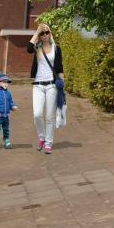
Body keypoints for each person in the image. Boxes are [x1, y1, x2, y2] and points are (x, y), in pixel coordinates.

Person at [27, 21, 64, 154]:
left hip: (52, 85)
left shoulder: (56, 48)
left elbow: (60, 68)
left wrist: (62, 86)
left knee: (49, 117)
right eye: (42, 33)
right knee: (37, 114)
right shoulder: (37, 47)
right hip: (38, 85)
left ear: (50, 33)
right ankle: (41, 137)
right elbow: (28, 48)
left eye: (46, 32)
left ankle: (48, 143)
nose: (45, 35)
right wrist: (37, 32)